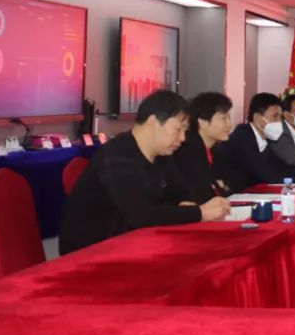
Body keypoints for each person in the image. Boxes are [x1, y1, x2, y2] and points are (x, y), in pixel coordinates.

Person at [59, 90, 231, 254]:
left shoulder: (161, 154)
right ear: (153, 121)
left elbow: (180, 191)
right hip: (93, 252)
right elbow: (142, 216)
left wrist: (187, 203)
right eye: (178, 129)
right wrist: (200, 213)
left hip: (133, 242)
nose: (183, 138)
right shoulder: (117, 156)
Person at [213, 92, 295, 192]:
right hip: (228, 194)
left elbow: (279, 165)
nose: (279, 122)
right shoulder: (243, 137)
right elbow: (265, 175)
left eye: (280, 117)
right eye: (275, 116)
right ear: (257, 117)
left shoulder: (263, 139)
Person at [174, 91, 234, 205]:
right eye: (223, 118)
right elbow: (204, 195)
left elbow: (231, 182)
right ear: (202, 122)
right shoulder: (188, 149)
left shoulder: (214, 150)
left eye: (229, 118)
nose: (229, 124)